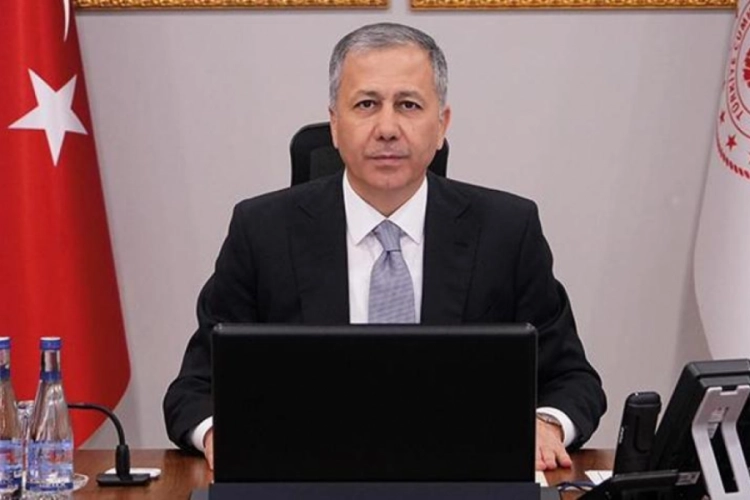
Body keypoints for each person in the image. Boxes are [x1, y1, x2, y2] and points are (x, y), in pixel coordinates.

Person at [164, 22, 606, 473]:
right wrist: (220, 433)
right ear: (335, 124)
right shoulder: (262, 232)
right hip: (308, 478)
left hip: (461, 479)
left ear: (441, 125)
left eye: (408, 105)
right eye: (366, 104)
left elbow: (572, 379)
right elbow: (195, 388)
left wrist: (546, 424)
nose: (387, 128)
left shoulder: (506, 231)